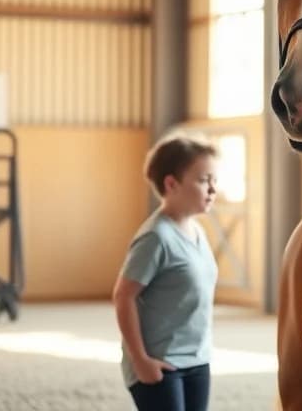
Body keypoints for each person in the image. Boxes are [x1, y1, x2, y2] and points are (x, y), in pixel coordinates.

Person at [113, 132, 220, 411]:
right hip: (161, 363)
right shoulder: (156, 237)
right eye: (203, 180)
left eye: (214, 180)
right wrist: (140, 361)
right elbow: (123, 297)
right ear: (171, 183)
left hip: (197, 360)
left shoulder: (197, 230)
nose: (212, 189)